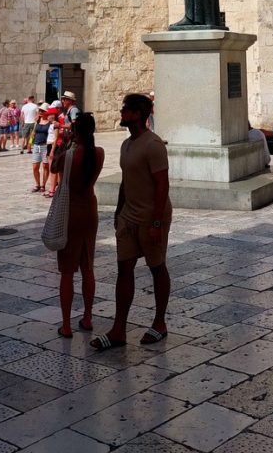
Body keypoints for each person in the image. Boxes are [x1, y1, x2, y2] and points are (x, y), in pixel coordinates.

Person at [91, 92, 171, 351]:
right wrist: (118, 210)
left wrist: (157, 222)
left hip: (150, 217)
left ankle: (159, 323)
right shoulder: (127, 145)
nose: (121, 113)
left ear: (138, 114)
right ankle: (118, 330)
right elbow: (126, 180)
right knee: (123, 269)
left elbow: (162, 186)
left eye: (126, 110)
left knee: (156, 267)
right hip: (128, 215)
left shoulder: (154, 145)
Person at [55, 112, 105, 338]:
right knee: (87, 267)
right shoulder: (99, 154)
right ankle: (87, 316)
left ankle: (66, 324)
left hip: (71, 212)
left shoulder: (69, 156)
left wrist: (66, 143)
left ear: (77, 131)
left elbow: (53, 165)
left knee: (67, 271)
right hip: (90, 211)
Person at [31, 104, 52, 192]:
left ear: (46, 112)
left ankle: (43, 185)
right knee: (35, 167)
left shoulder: (50, 122)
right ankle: (37, 184)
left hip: (45, 146)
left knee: (45, 166)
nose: (40, 112)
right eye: (39, 110)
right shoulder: (37, 121)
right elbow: (33, 132)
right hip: (36, 145)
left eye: (42, 111)